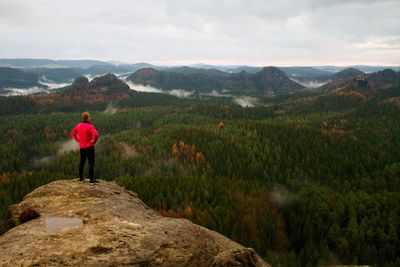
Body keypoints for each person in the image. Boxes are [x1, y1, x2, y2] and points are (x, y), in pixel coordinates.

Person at [71, 112, 99, 184]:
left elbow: (73, 132)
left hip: (82, 147)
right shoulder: (90, 126)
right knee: (91, 163)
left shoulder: (79, 125)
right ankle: (91, 181)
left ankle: (80, 178)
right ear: (88, 117)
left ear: (83, 118)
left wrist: (78, 140)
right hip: (89, 147)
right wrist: (93, 141)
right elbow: (96, 134)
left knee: (82, 162)